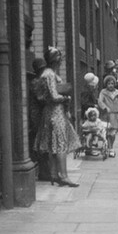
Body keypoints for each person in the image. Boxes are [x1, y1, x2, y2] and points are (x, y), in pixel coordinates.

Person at [33, 45, 81, 186]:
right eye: (59, 58)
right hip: (55, 112)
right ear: (55, 60)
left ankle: (55, 175)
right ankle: (63, 176)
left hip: (53, 112)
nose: (60, 60)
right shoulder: (49, 74)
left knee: (54, 145)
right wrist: (66, 99)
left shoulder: (49, 73)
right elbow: (54, 96)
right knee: (60, 144)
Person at [97, 74, 118, 157]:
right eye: (109, 84)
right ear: (106, 84)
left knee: (113, 133)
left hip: (115, 115)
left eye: (112, 83)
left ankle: (111, 146)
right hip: (107, 115)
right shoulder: (103, 92)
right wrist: (105, 107)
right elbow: (100, 101)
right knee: (108, 132)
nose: (110, 85)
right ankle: (110, 147)